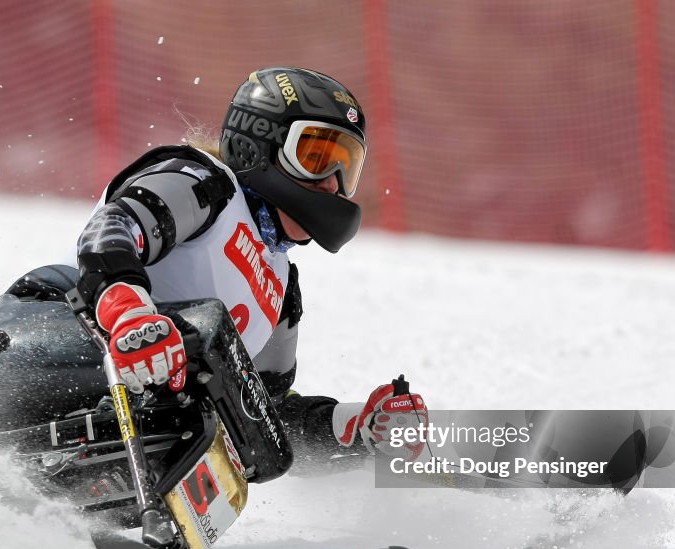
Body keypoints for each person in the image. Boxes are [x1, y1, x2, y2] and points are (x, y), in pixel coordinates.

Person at [71, 66, 428, 467]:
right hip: (55, 340)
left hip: (140, 424)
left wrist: (353, 428)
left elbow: (262, 410)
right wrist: (128, 313)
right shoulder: (205, 183)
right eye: (316, 157)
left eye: (347, 167)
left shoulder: (281, 284)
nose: (332, 183)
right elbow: (112, 227)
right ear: (259, 144)